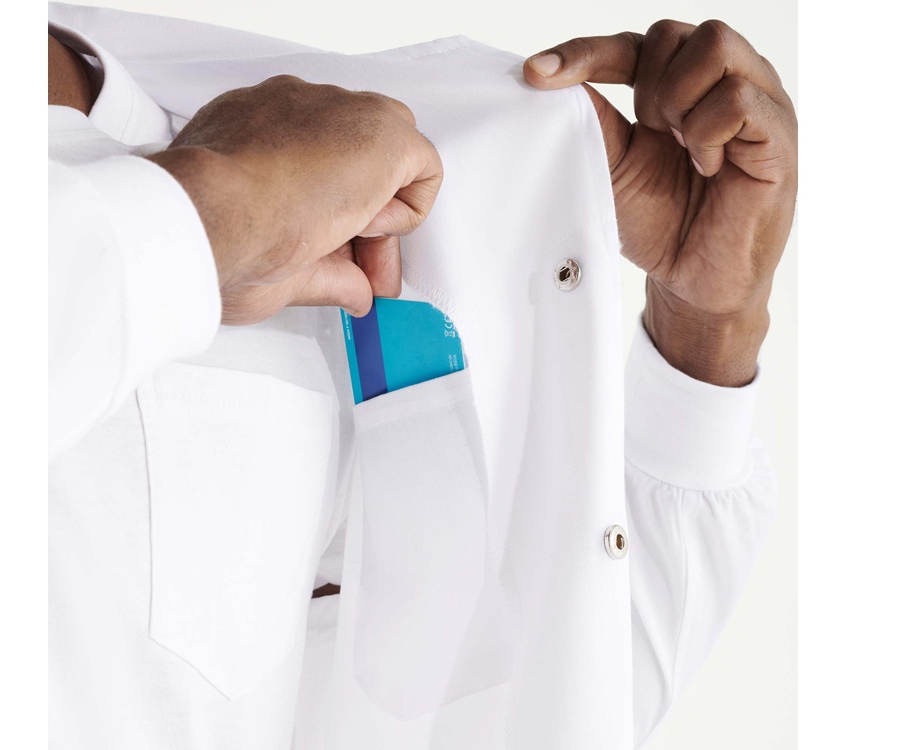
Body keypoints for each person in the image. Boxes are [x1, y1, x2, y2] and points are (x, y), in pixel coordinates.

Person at [48, 3, 796, 749]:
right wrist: (208, 213)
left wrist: (708, 329)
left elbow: (481, 702)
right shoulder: (259, 187)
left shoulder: (313, 184)